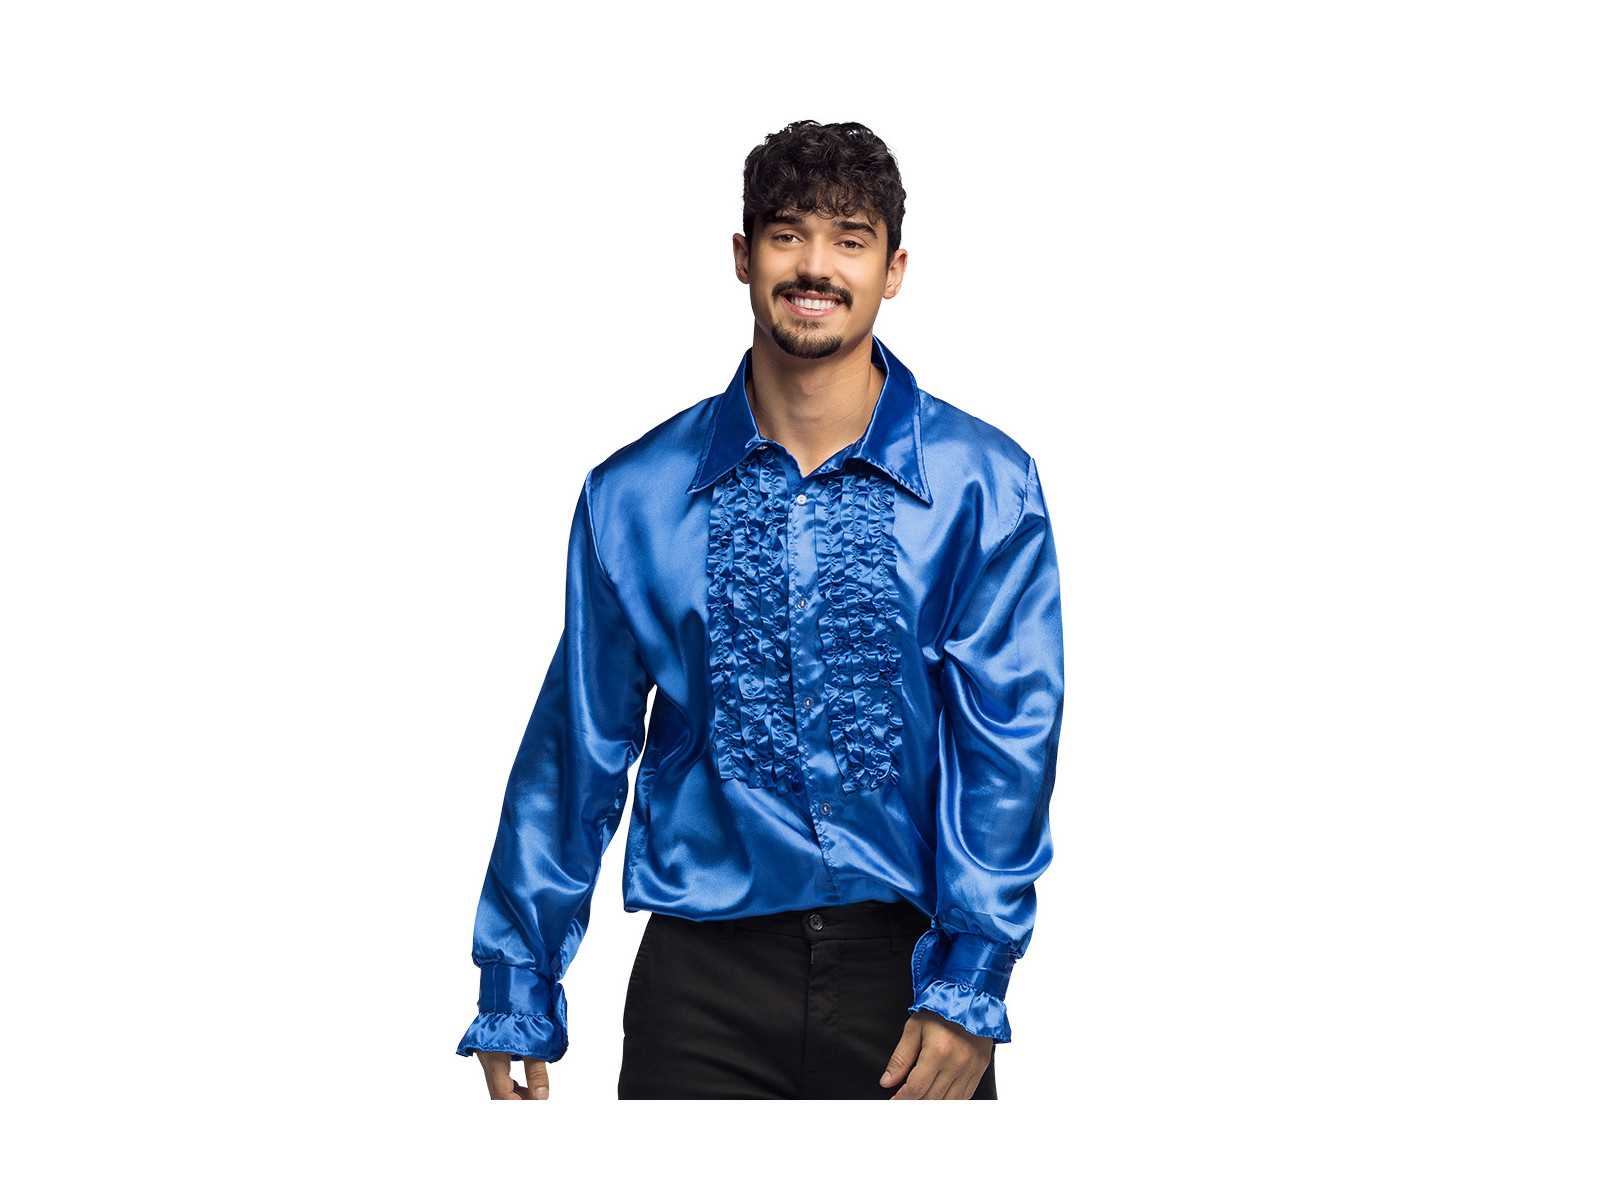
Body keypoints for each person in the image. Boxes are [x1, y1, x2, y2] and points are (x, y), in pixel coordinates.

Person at [456, 119, 1064, 1100]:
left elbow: (1008, 748)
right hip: (701, 993)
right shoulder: (634, 496)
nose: (815, 265)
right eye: (788, 234)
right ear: (744, 256)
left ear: (894, 269)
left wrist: (972, 980)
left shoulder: (984, 486)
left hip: (910, 984)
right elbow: (577, 746)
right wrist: (518, 977)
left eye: (849, 238)